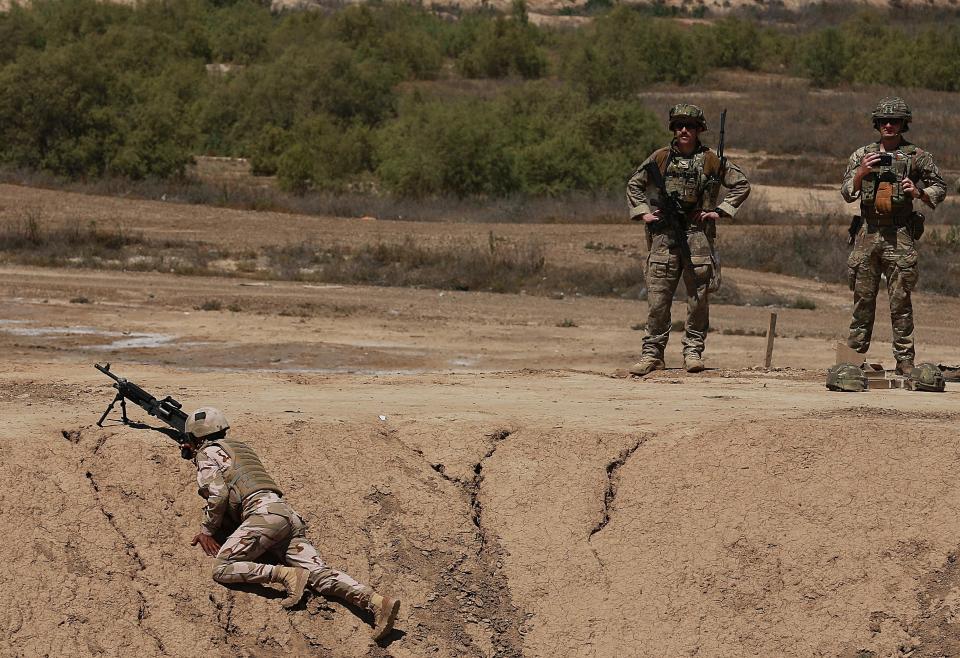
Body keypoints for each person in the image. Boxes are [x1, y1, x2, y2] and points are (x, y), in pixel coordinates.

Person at [183, 406, 400, 641]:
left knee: (223, 567)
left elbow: (218, 494)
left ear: (197, 437)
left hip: (263, 516)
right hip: (287, 516)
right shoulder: (240, 448)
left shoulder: (207, 453)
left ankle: (286, 575)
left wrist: (207, 530)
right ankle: (376, 602)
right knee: (319, 574)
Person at [626, 103, 751, 376]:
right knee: (658, 299)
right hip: (664, 236)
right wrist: (644, 213)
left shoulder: (710, 160)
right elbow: (634, 184)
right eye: (679, 126)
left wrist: (719, 211)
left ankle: (692, 351)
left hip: (696, 235)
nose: (684, 130)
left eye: (690, 126)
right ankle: (652, 354)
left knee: (698, 298)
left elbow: (741, 184)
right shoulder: (659, 158)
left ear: (699, 130)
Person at [841, 97, 946, 375]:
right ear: (877, 124)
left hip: (899, 233)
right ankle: (852, 360)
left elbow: (940, 187)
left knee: (900, 301)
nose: (889, 126)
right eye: (884, 121)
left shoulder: (916, 156)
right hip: (867, 232)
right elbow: (846, 191)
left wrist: (919, 192)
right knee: (863, 299)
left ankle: (905, 360)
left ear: (903, 124)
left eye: (895, 121)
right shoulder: (861, 154)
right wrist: (862, 172)